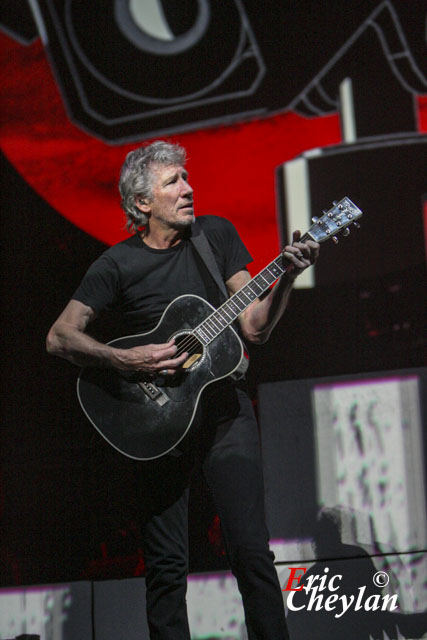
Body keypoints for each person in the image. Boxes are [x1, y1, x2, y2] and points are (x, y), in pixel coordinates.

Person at [46, 140, 320, 639]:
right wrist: (125, 357)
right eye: (173, 181)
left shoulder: (215, 235)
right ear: (142, 203)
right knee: (167, 568)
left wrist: (287, 276)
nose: (189, 188)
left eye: (187, 178)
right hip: (154, 424)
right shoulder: (116, 264)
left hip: (222, 411)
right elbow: (59, 336)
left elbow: (254, 328)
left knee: (252, 552)